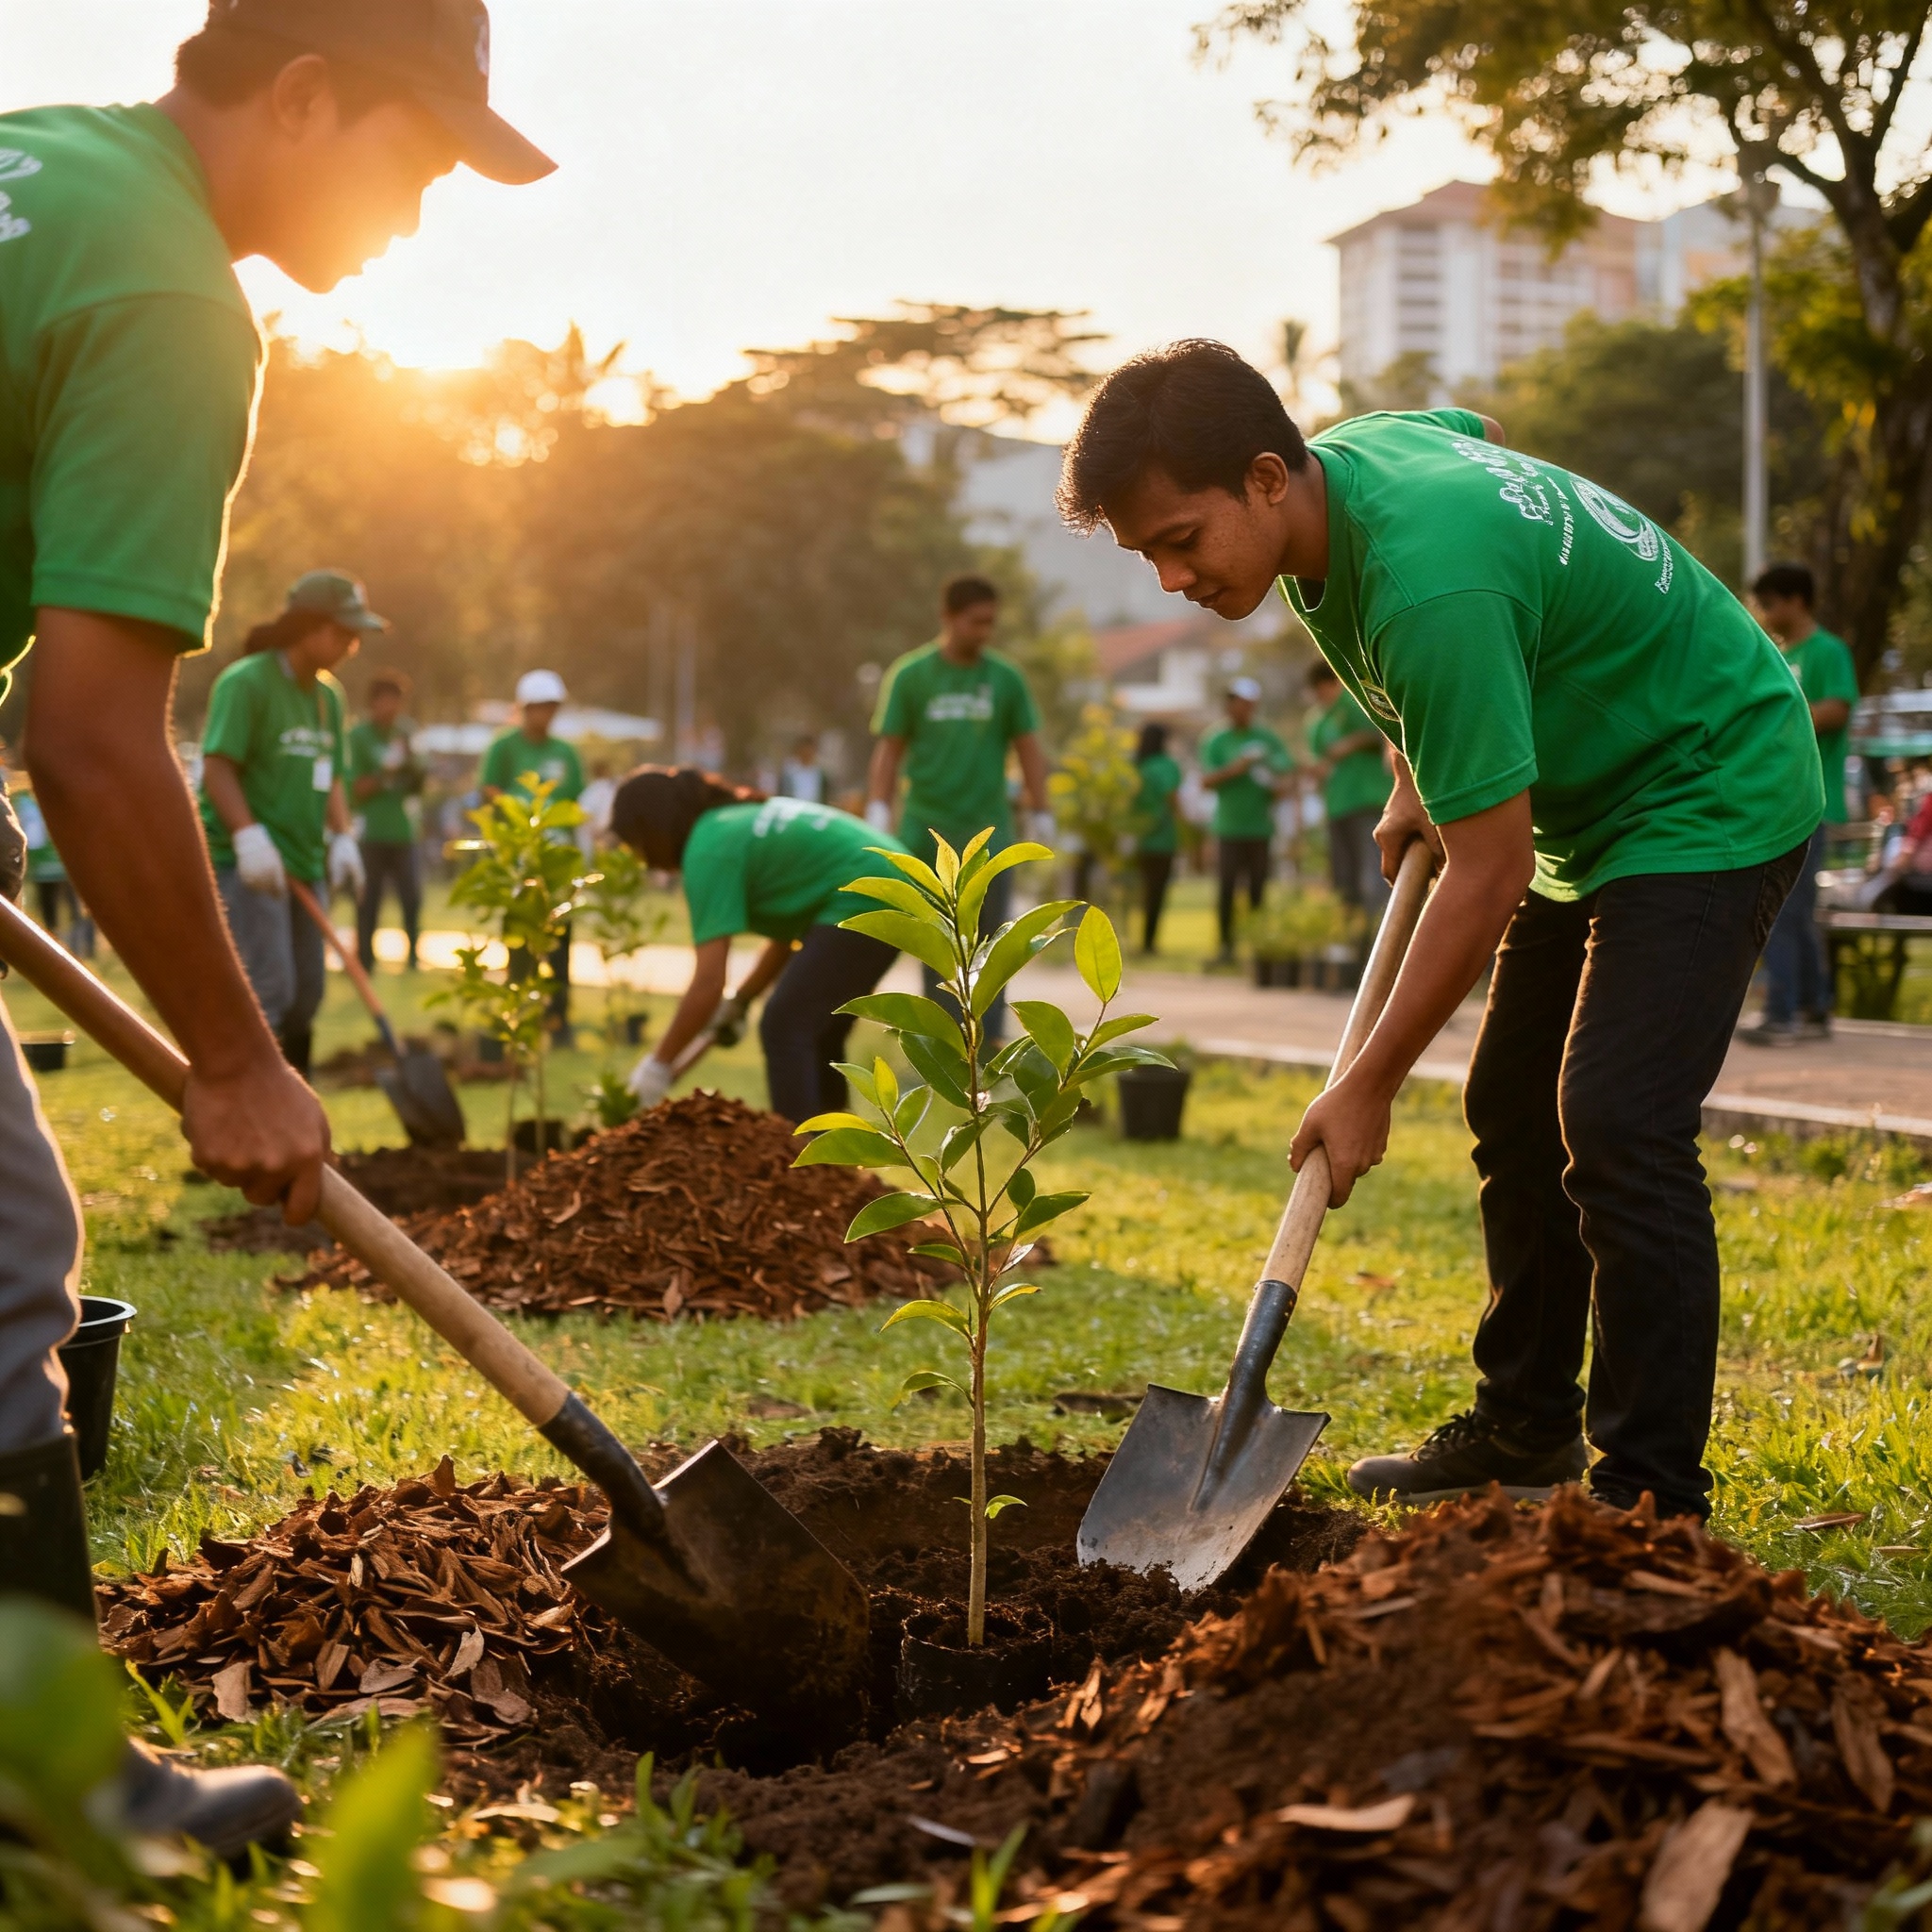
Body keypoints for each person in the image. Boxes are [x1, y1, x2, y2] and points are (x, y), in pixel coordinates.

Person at [0, 0, 551, 1855]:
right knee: (10, 1250)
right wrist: (237, 1058)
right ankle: (52, 1785)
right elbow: (90, 729)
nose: (415, 221)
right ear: (304, 95)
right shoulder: (165, 293)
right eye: (414, 160)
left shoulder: (42, 161)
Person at [1058, 340, 1819, 1523]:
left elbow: (1490, 869)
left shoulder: (1427, 586)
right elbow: (1482, 441)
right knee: (1510, 1105)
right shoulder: (1359, 466)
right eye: (1148, 552)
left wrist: (1363, 1085)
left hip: (1706, 782)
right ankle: (1523, 1426)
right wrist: (1418, 751)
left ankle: (1650, 1496)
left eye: (1179, 539)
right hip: (1592, 798)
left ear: (1266, 477)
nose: (1170, 579)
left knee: (1617, 1120)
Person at [611, 770, 904, 1123]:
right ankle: (834, 1164)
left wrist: (657, 1065)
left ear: (652, 827)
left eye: (637, 846)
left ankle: (803, 1166)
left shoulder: (708, 850)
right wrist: (741, 1001)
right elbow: (786, 939)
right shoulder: (728, 825)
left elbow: (707, 984)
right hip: (895, 882)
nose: (643, 860)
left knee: (785, 1027)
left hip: (869, 893)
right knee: (817, 1034)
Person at [198, 573, 383, 1076]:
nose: (352, 643)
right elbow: (218, 767)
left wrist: (343, 837)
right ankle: (251, 1103)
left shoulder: (329, 697)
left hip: (305, 863)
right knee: (269, 990)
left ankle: (297, 1098)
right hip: (250, 865)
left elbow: (333, 774)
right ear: (308, 627)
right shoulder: (246, 683)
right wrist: (247, 836)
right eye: (343, 632)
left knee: (307, 993)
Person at [865, 575, 1053, 1040]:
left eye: (991, 623)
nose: (985, 632)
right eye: (976, 622)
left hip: (989, 836)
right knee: (937, 947)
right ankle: (944, 1042)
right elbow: (890, 749)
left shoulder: (1004, 679)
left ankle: (987, 1042)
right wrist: (876, 808)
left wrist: (1042, 807)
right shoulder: (911, 675)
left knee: (991, 947)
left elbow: (1028, 746)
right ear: (948, 618)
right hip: (925, 832)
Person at [1740, 561, 1858, 1045]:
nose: (1764, 613)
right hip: (1780, 800)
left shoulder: (1827, 650)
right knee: (1795, 909)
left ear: (1798, 601)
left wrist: (1784, 717)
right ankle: (1814, 1008)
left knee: (1785, 910)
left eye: (1770, 603)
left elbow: (1838, 706)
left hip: (1815, 801)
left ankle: (1783, 1012)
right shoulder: (1778, 654)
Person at [481, 669, 585, 1026]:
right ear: (525, 708)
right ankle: (519, 1012)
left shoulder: (566, 753)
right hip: (521, 859)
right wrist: (518, 806)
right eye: (539, 707)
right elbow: (489, 789)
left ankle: (559, 1018)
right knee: (520, 940)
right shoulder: (505, 746)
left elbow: (575, 802)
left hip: (556, 862)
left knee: (559, 940)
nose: (545, 714)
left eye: (551, 707)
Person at [1199, 676, 1291, 964]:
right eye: (1242, 704)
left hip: (1260, 826)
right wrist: (1235, 769)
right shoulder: (1215, 740)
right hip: (1228, 826)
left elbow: (1287, 769)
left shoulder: (1266, 738)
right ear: (1229, 704)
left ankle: (1258, 948)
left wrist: (1279, 785)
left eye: (1252, 705)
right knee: (1226, 888)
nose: (1247, 710)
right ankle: (1225, 948)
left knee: (1257, 889)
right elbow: (1205, 780)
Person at [347, 667, 424, 971]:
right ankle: (365, 958)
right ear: (374, 702)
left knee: (411, 898)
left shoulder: (406, 733)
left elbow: (419, 777)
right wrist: (387, 772)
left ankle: (414, 958)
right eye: (386, 700)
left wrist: (411, 768)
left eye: (397, 701)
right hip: (371, 832)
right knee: (369, 900)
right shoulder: (359, 736)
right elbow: (356, 788)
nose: (392, 708)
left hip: (404, 831)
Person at [1306, 660, 1392, 911]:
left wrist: (1351, 743)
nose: (1320, 696)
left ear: (1334, 683)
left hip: (1368, 799)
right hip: (1337, 804)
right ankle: (1353, 933)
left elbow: (1382, 734)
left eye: (1323, 688)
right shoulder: (1316, 721)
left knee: (1373, 870)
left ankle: (1377, 925)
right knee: (1344, 874)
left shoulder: (1355, 704)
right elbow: (1318, 760)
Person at [1131, 722, 1183, 954]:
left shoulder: (1136, 765)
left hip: (1138, 837)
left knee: (1141, 890)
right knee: (1157, 891)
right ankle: (1149, 942)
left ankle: (1140, 939)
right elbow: (1172, 797)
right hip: (1163, 837)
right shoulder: (1166, 766)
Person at [778, 732, 828, 804]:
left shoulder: (820, 774)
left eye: (809, 749)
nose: (806, 752)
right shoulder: (790, 773)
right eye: (804, 749)